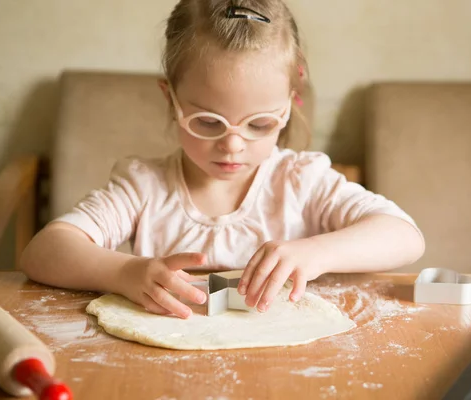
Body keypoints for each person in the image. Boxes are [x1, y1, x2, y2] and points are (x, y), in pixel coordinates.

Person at [21, 0, 425, 319]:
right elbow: (43, 251)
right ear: (170, 99)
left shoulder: (301, 182)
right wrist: (124, 272)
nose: (233, 146)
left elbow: (405, 236)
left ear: (289, 105)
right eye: (209, 122)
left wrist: (316, 253)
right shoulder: (144, 186)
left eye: (260, 124)